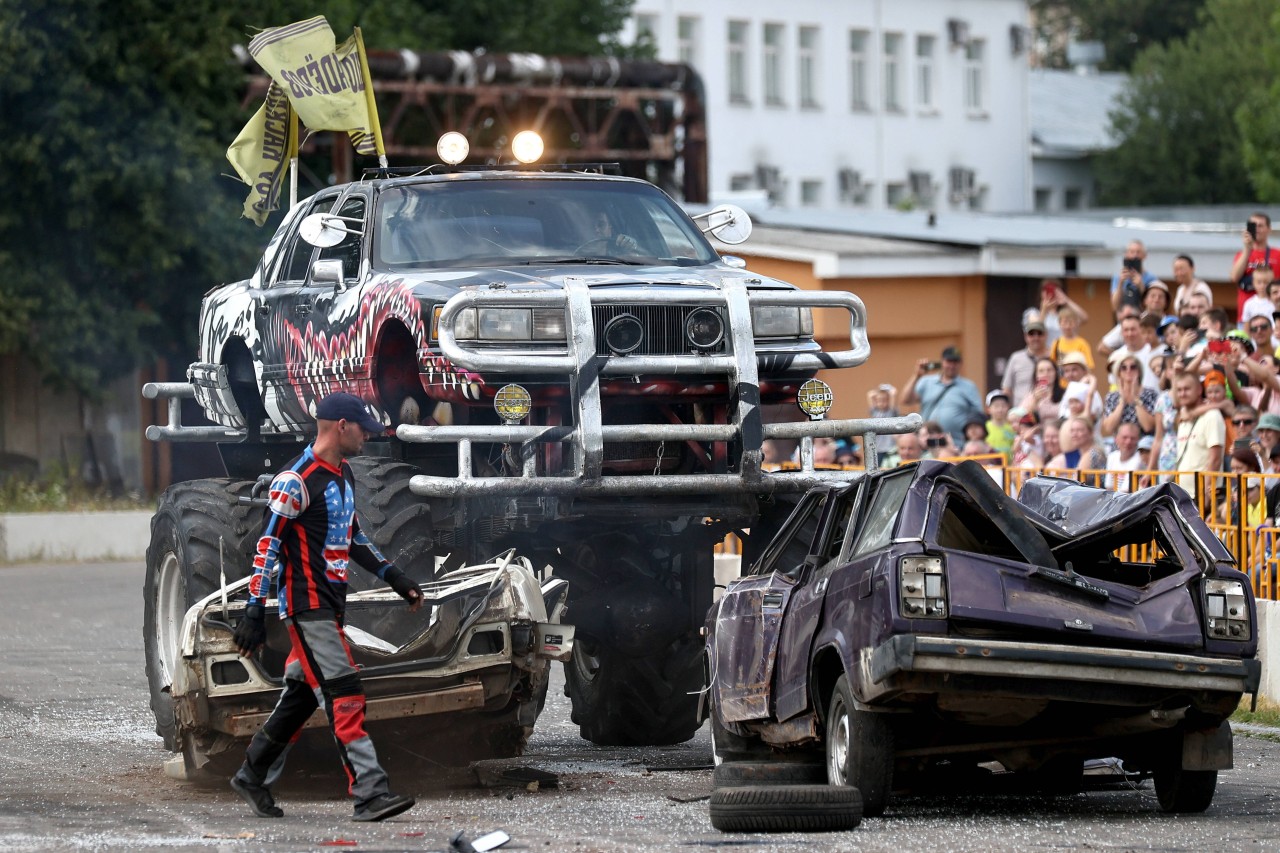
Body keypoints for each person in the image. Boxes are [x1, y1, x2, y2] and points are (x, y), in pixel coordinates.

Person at [230, 392, 422, 823]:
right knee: (345, 691)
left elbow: (352, 539)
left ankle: (252, 774)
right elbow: (267, 547)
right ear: (341, 426)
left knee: (300, 698)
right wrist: (253, 611)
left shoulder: (344, 474)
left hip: (330, 606)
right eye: (363, 430)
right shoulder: (294, 480)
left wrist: (397, 580)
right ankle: (370, 793)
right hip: (307, 608)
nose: (368, 438)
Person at [900, 347, 985, 445]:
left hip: (956, 443)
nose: (952, 366)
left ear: (960, 364)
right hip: (927, 442)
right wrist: (916, 376)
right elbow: (905, 400)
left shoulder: (969, 386)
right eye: (949, 361)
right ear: (942, 362)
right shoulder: (926, 381)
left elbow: (978, 415)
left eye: (955, 362)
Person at [1172, 372, 1226, 495]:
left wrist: (1205, 492)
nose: (1182, 394)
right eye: (1179, 390)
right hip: (1183, 494)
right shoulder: (1183, 418)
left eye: (1187, 389)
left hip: (1201, 494)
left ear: (1199, 390)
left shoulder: (1212, 415)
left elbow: (1215, 459)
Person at [1231, 212, 1280, 322]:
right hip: (1247, 315)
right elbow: (1234, 277)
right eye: (1253, 225)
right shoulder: (1242, 254)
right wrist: (1247, 249)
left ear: (1269, 229)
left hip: (1272, 314)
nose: (1257, 229)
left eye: (1260, 226)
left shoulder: (1277, 254)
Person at [1101, 354, 1158, 437]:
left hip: (1144, 444)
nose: (1128, 370)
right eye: (1123, 368)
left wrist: (1136, 399)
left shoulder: (1150, 394)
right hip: (1119, 445)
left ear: (1139, 371)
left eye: (1133, 367)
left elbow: (1148, 427)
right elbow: (1109, 428)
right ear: (1119, 373)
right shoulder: (1112, 397)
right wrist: (1122, 402)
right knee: (1095, 450)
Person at [1028, 278, 1090, 347]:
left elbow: (1084, 318)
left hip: (1065, 351)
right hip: (1044, 353)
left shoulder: (1065, 314)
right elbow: (1036, 329)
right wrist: (1044, 310)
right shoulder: (1033, 313)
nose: (1050, 294)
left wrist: (1066, 301)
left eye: (1053, 290)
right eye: (1046, 290)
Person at [1001, 318, 1051, 404]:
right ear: (1025, 336)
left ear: (1046, 335)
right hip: (1020, 412)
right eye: (1031, 334)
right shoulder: (1016, 358)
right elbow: (1006, 389)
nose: (1036, 337)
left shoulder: (1053, 357)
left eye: (1040, 333)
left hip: (1047, 412)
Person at [1110, 240, 1162, 315]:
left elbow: (1153, 306)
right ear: (1126, 254)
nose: (1135, 256)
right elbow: (1115, 306)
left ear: (1144, 256)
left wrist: (1141, 286)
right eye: (1132, 252)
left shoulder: (1152, 279)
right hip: (1124, 320)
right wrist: (1120, 283)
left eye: (1138, 252)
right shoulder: (1118, 277)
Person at [1018, 356, 1065, 424]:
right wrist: (1035, 401)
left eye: (1049, 370)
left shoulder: (1065, 393)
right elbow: (1021, 418)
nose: (1046, 373)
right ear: (1036, 375)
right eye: (1041, 371)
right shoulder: (1031, 396)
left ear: (1055, 373)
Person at [1105, 422, 1145, 493]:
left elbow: (1125, 491)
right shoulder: (1112, 456)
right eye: (1124, 437)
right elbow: (1109, 487)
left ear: (1138, 440)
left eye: (1133, 438)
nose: (1128, 442)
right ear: (1116, 438)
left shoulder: (1139, 459)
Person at [866, 383, 899, 456]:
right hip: (878, 447)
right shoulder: (875, 412)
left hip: (890, 447)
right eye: (879, 401)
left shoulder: (891, 412)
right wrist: (878, 391)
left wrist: (889, 392)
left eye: (884, 400)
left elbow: (893, 393)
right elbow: (870, 394)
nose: (881, 403)